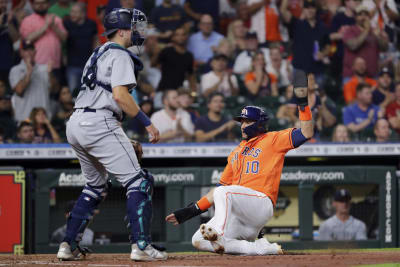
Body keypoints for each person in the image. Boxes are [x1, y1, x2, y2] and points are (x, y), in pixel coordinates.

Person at [56, 8, 166, 262]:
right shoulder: (120, 54)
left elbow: (103, 98)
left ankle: (67, 244)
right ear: (123, 30)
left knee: (95, 186)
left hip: (77, 123)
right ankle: (141, 246)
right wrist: (147, 123)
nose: (138, 32)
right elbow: (119, 96)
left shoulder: (99, 51)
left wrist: (119, 136)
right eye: (135, 27)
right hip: (99, 122)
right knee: (140, 182)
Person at [165, 70, 314, 255]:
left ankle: (218, 232)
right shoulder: (235, 152)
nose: (243, 125)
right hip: (241, 215)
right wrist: (189, 212)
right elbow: (218, 191)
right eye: (241, 122)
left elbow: (306, 133)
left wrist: (303, 105)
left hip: (261, 203)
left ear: (259, 124)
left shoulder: (273, 139)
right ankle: (258, 248)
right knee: (198, 240)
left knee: (223, 194)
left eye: (247, 121)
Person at [9, 40, 57, 122]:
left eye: (31, 49)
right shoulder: (15, 70)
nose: (29, 52)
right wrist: (29, 73)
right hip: (24, 119)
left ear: (35, 52)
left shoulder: (45, 69)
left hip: (43, 119)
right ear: (21, 53)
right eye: (26, 50)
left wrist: (50, 74)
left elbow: (54, 90)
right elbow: (19, 91)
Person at [19, 0, 68, 79]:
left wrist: (54, 27)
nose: (40, 5)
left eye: (43, 3)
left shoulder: (55, 18)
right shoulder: (27, 20)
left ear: (48, 4)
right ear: (33, 5)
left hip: (55, 64)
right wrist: (46, 26)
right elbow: (27, 39)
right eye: (37, 3)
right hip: (36, 65)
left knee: (55, 90)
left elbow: (64, 38)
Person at [342, 5, 388, 80]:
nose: (363, 17)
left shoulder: (374, 31)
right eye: (360, 14)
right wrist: (366, 30)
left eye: (366, 14)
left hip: (372, 76)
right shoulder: (350, 30)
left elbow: (385, 48)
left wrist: (377, 36)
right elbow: (353, 45)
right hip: (352, 77)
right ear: (355, 17)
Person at [63, 2, 98, 94]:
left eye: (75, 12)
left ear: (83, 13)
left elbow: (95, 41)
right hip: (72, 66)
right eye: (71, 11)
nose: (72, 14)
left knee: (89, 93)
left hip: (88, 66)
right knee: (73, 93)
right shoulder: (67, 24)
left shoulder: (91, 24)